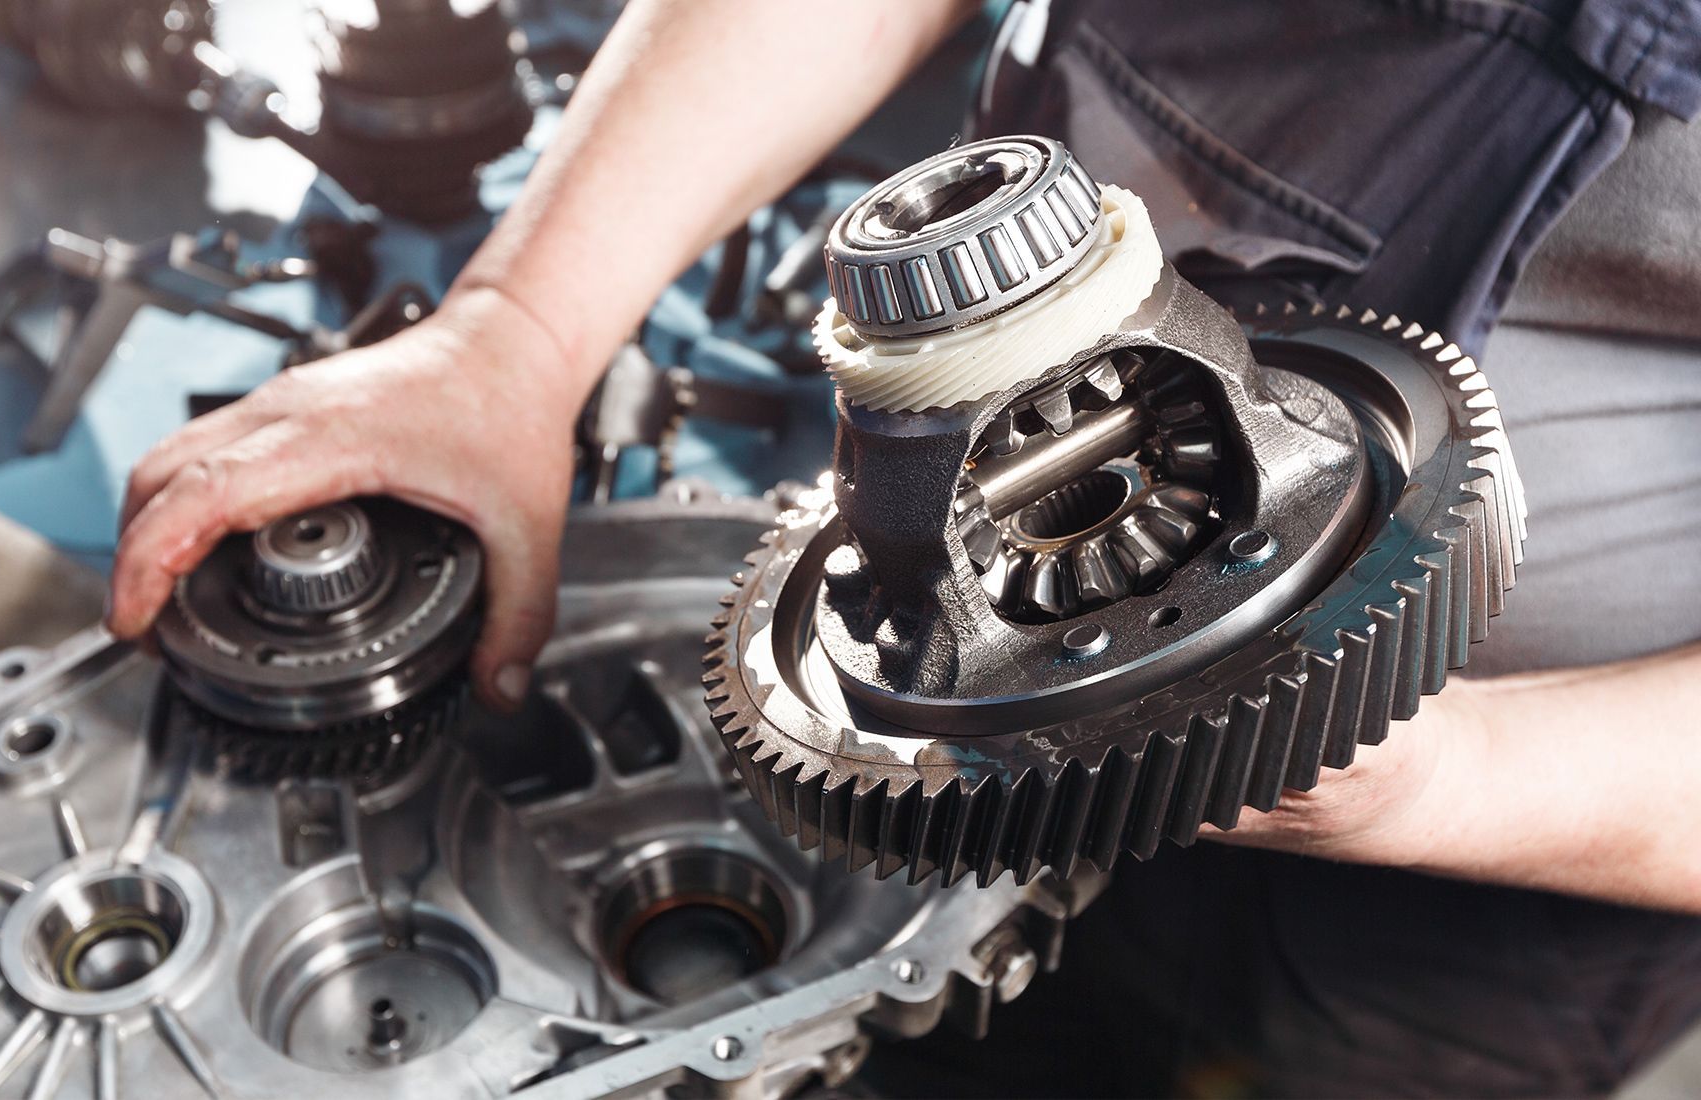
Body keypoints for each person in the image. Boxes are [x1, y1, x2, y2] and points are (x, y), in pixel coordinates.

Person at [108, 1, 1701, 1095]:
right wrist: (515, 333)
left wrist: (1442, 777)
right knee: (956, 1034)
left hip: (1515, 876)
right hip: (969, 705)